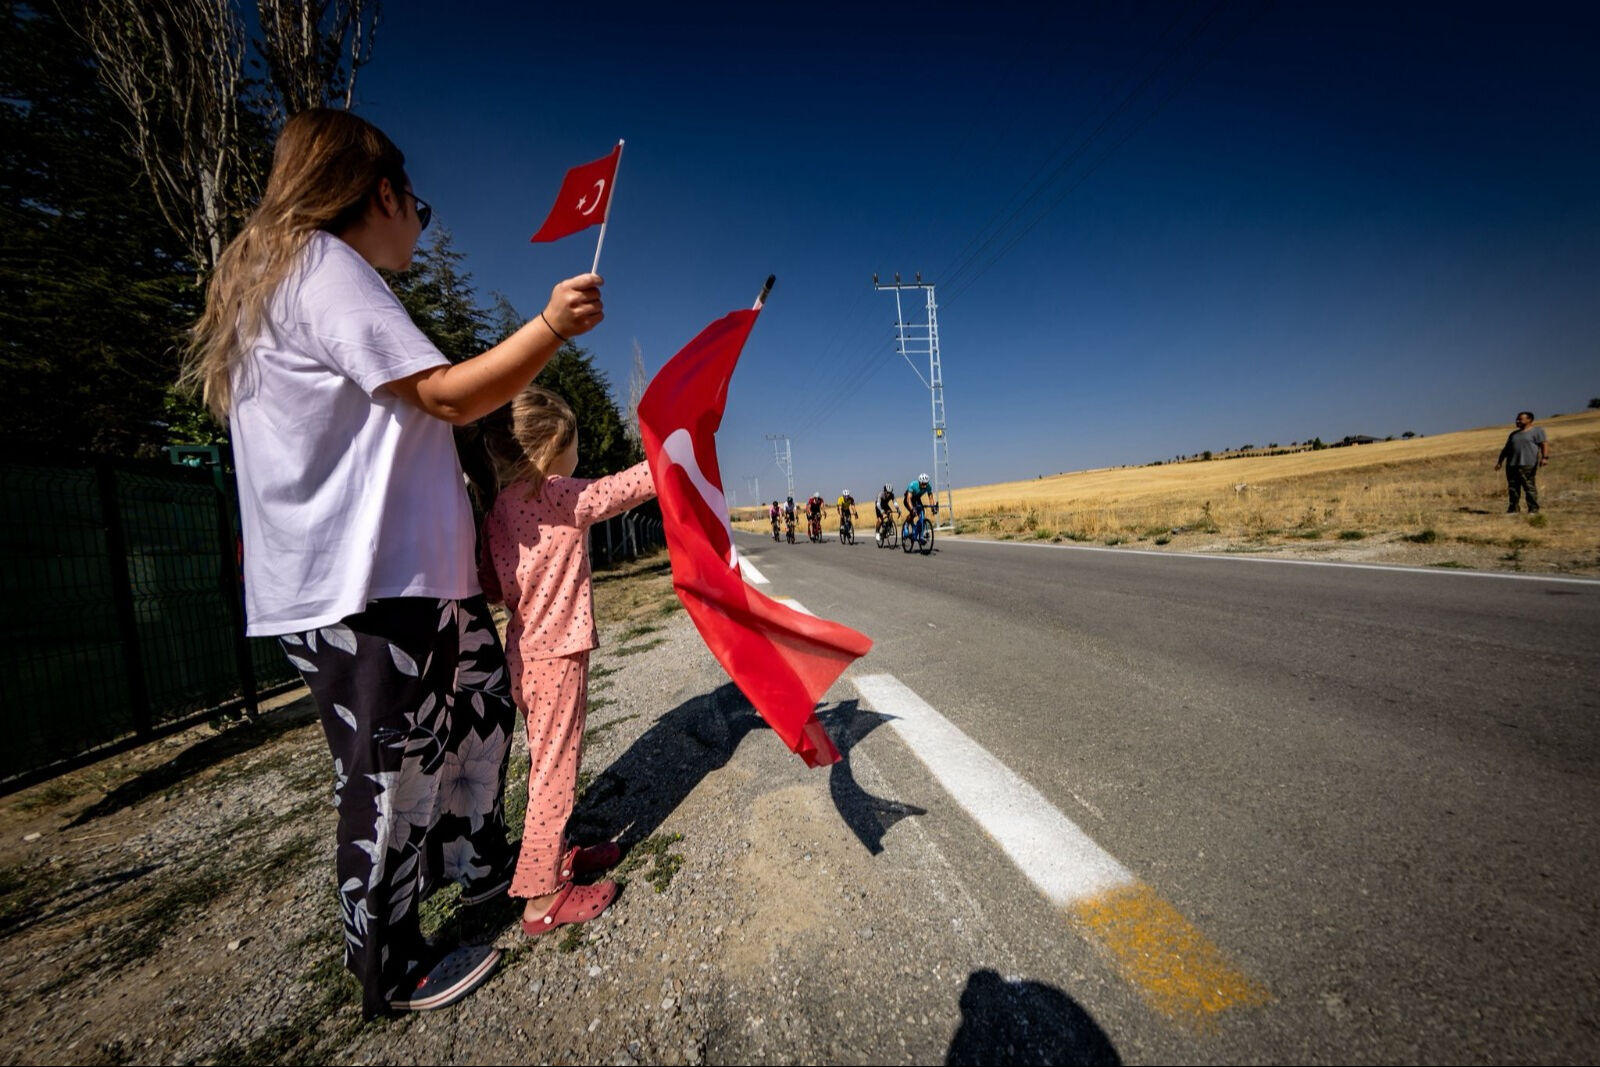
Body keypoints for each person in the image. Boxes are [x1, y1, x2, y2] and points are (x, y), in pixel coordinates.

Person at [184, 109, 604, 1017]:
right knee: (391, 774)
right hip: (367, 589)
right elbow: (447, 396)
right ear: (382, 193)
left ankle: (487, 865)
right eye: (418, 201)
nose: (420, 218)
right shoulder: (322, 269)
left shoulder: (299, 276)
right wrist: (548, 328)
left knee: (478, 716)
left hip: (414, 583)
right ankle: (391, 962)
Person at [478, 386, 654, 937]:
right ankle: (541, 898)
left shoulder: (497, 511)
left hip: (525, 651)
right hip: (557, 652)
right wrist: (673, 454)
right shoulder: (553, 492)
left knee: (546, 763)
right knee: (554, 772)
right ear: (554, 448)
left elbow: (488, 585)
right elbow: (613, 492)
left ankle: (551, 860)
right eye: (574, 445)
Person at [1494, 411, 1549, 513]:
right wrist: (1500, 462)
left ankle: (1533, 509)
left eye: (1520, 419)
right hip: (1512, 464)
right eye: (1517, 419)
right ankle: (1513, 509)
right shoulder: (1513, 434)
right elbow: (1506, 449)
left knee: (1529, 487)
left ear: (1529, 420)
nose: (1517, 421)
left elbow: (1544, 444)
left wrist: (1545, 457)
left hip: (1527, 464)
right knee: (1513, 488)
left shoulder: (1537, 431)